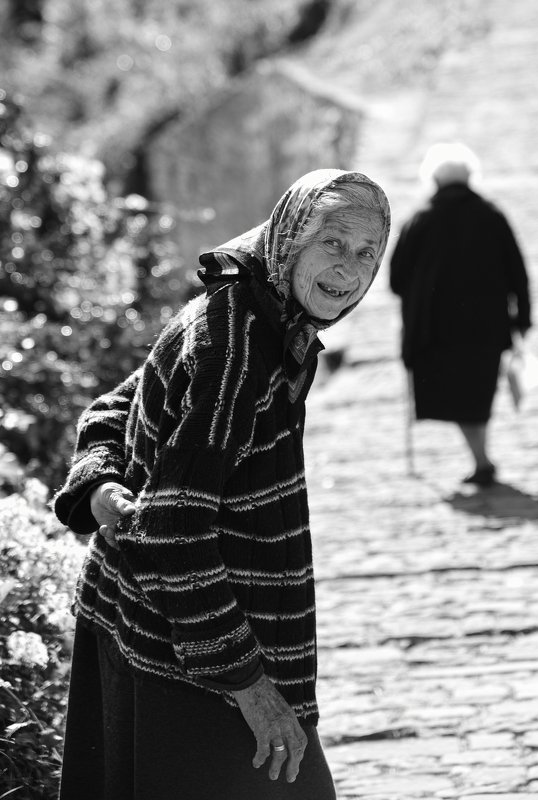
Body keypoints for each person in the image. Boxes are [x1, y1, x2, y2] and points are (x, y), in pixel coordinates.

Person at [53, 168, 391, 800]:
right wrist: (251, 688)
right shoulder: (235, 351)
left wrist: (100, 482)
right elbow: (174, 530)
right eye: (333, 242)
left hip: (172, 634)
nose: (349, 268)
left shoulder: (265, 314)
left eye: (367, 252)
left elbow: (120, 404)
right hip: (190, 663)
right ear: (290, 239)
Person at [390, 143, 531, 486]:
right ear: (469, 178)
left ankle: (482, 461)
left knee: (457, 394)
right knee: (476, 393)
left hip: (436, 328)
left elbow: (396, 280)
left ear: (435, 180)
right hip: (487, 325)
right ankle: (482, 460)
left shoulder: (419, 220)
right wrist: (523, 318)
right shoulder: (492, 215)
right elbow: (517, 270)